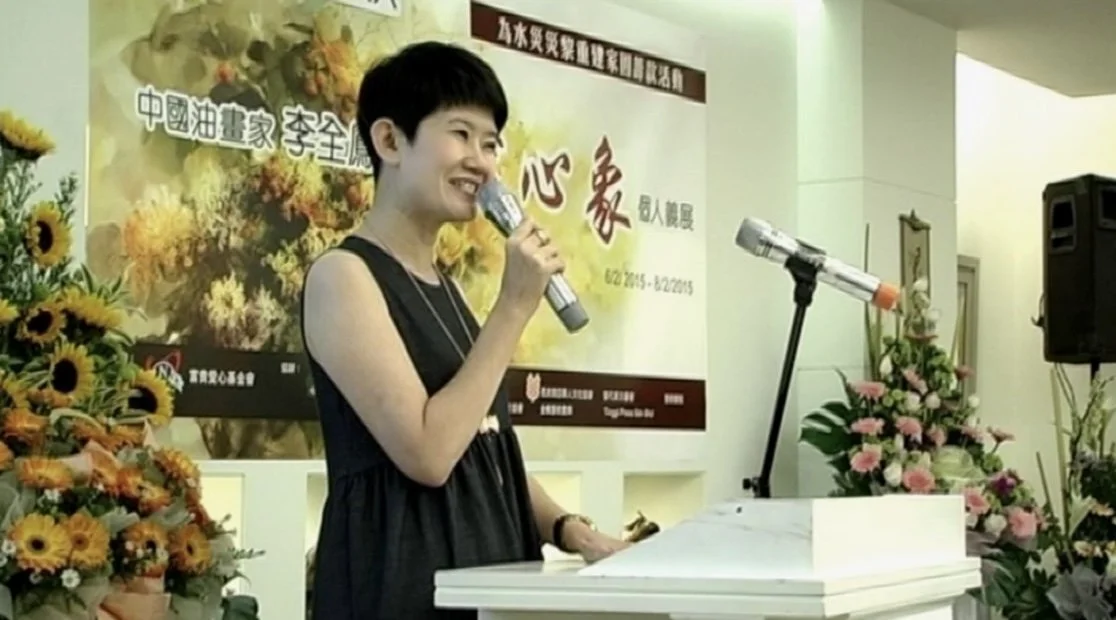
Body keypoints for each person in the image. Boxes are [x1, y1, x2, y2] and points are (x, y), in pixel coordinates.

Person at [300, 41, 631, 620]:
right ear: (389, 141)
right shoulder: (343, 277)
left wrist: (568, 528)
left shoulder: (445, 287)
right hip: (400, 581)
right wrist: (514, 306)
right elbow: (429, 453)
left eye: (491, 143)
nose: (482, 161)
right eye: (461, 135)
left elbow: (484, 444)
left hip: (485, 577)